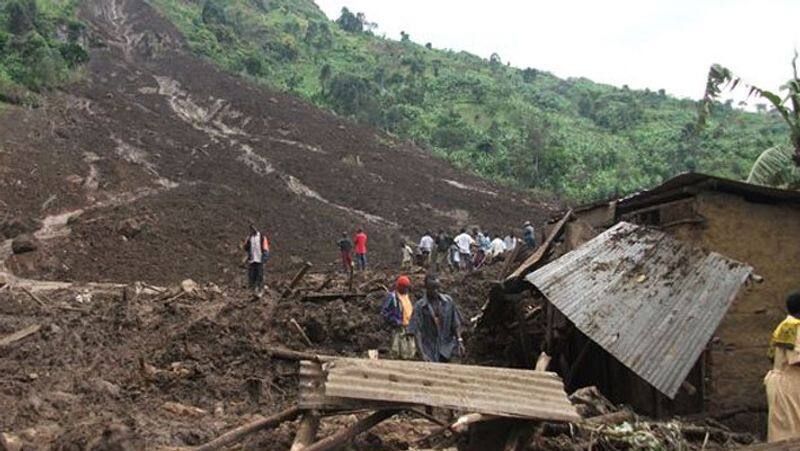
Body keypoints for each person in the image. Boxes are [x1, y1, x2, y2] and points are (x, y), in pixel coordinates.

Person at [765, 292, 800, 442]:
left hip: (783, 381)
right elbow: (797, 359)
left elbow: (771, 356)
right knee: (790, 433)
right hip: (788, 383)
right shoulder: (793, 326)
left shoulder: (784, 326)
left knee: (785, 429)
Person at [408, 273, 464, 363]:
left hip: (447, 348)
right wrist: (422, 354)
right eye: (432, 288)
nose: (436, 291)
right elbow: (416, 331)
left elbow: (456, 323)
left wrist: (460, 340)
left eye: (437, 288)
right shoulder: (420, 306)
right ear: (426, 288)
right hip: (429, 350)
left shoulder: (448, 302)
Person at [380, 276, 416, 360]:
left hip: (408, 327)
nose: (406, 289)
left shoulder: (407, 296)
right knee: (397, 351)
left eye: (407, 287)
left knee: (410, 352)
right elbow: (384, 312)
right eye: (404, 287)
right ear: (399, 286)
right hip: (398, 328)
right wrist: (395, 321)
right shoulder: (392, 297)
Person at [242, 224, 270, 297]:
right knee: (252, 276)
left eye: (253, 228)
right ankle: (253, 291)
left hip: (259, 260)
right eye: (251, 229)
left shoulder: (261, 237)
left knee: (260, 276)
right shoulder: (250, 238)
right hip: (252, 260)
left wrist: (265, 258)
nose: (252, 230)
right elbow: (245, 248)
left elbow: (265, 248)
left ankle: (260, 291)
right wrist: (246, 243)